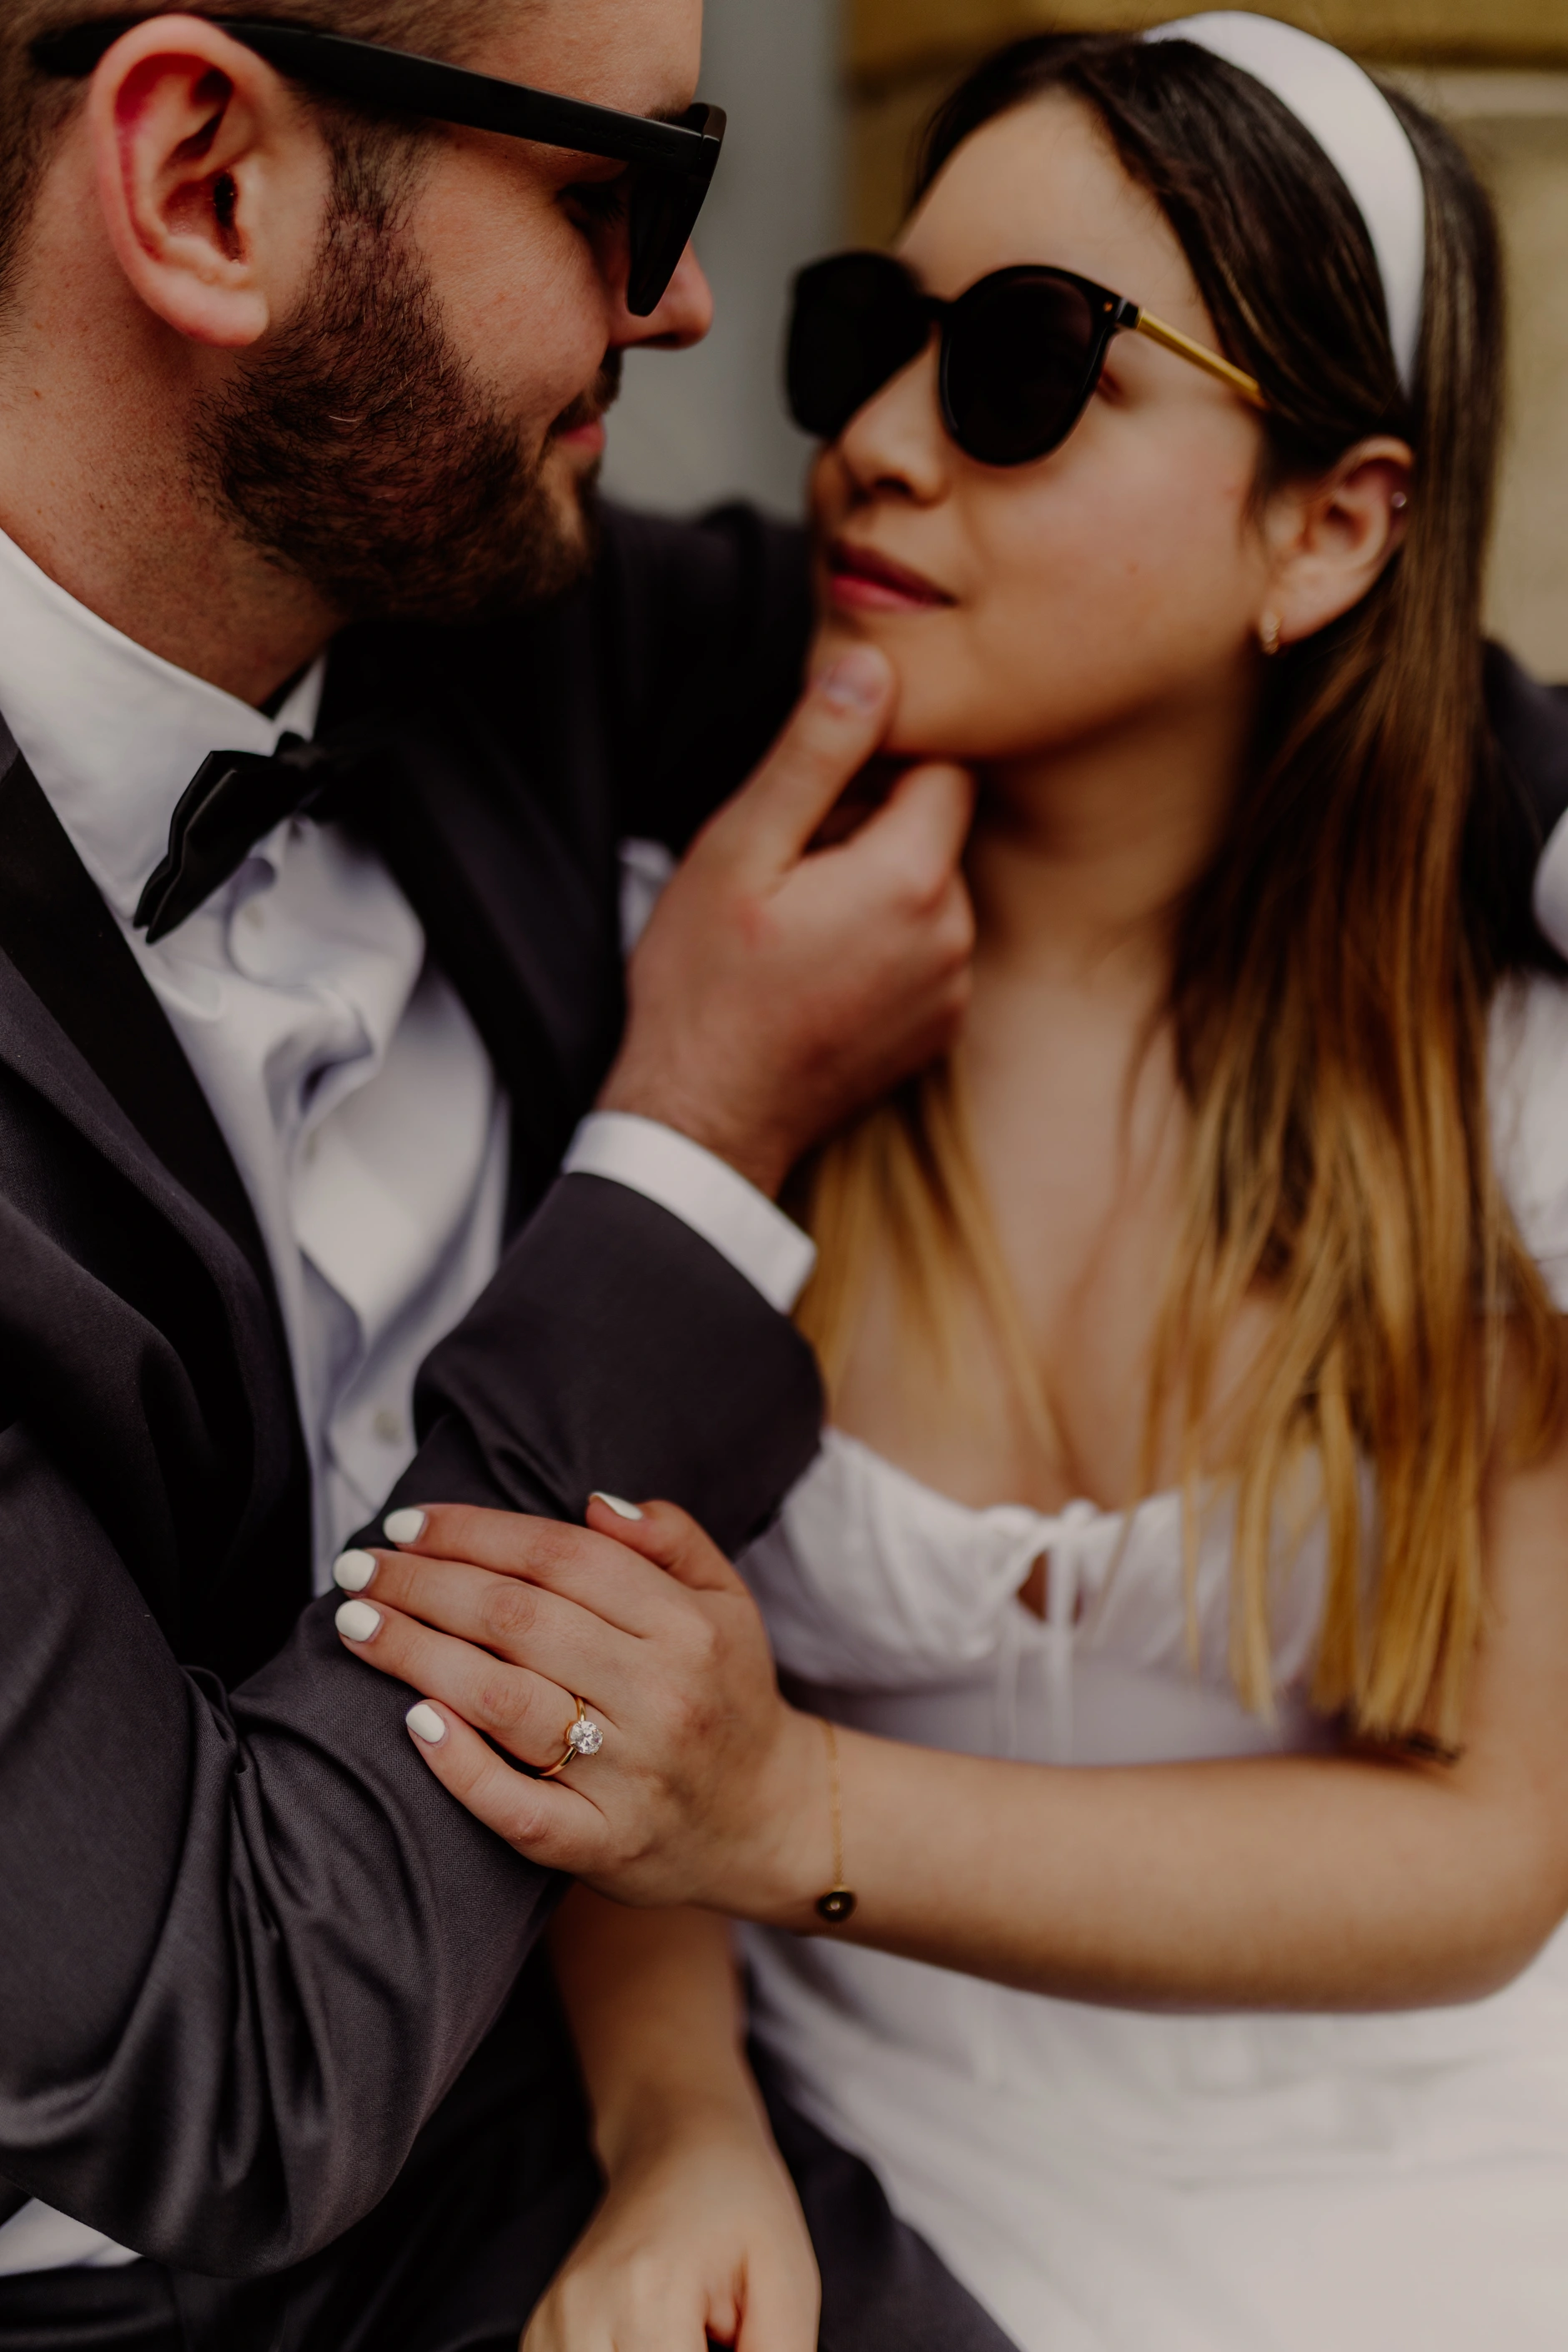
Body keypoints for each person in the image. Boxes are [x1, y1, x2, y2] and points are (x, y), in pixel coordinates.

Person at [338, 18, 1568, 2350]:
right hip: (868, 2189)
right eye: (858, 341)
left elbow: (1492, 1848)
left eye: (1023, 370)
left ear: (1333, 523)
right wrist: (683, 2123)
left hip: (1459, 2186)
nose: (875, 447)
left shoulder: (1501, 1061)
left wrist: (786, 1794)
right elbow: (564, 1653)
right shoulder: (695, 965)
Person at [0, 4, 998, 2349]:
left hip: (573, 2095)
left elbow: (1128, 611)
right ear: (206, 184)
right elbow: (230, 2065)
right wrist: (695, 1146)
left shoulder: (467, 592)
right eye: (613, 195)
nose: (690, 300)